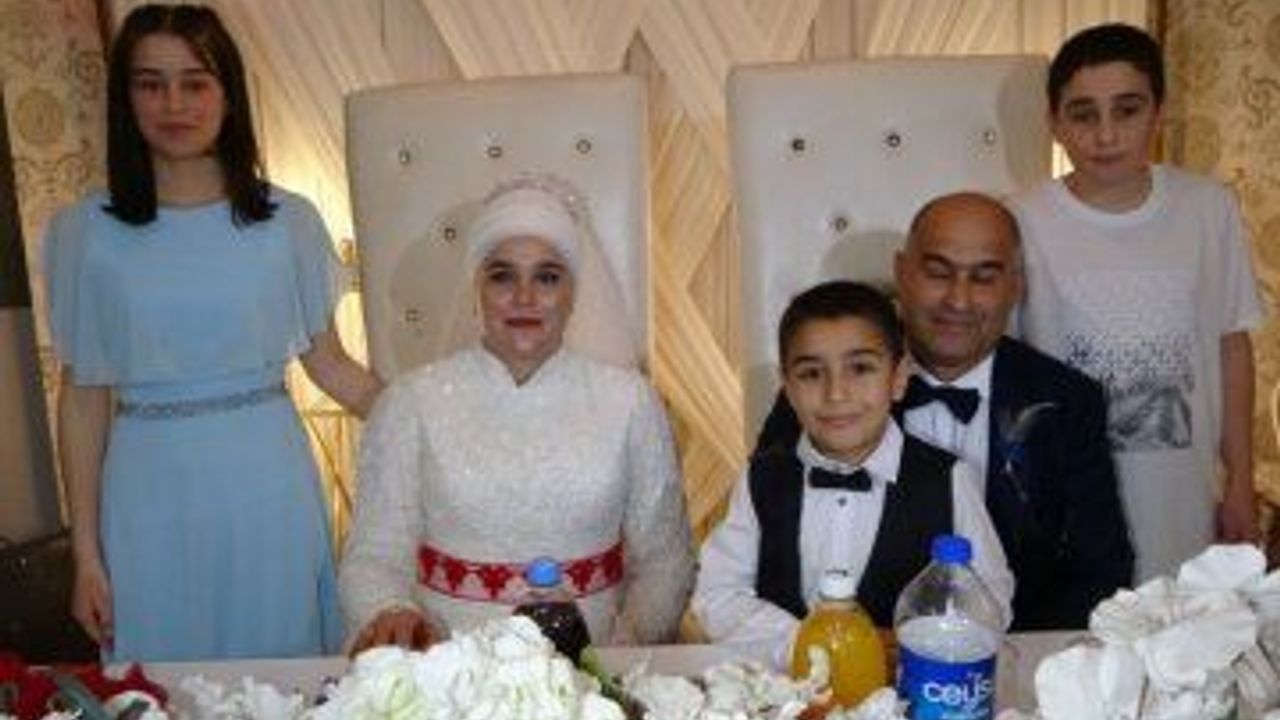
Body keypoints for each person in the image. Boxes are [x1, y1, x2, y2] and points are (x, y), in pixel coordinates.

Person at [43, 4, 382, 661]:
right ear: (125, 99)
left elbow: (333, 367)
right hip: (146, 495)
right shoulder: (85, 233)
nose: (174, 104)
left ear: (228, 94)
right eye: (151, 84)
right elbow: (82, 400)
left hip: (267, 486)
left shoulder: (288, 222)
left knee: (281, 674)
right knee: (163, 679)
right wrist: (85, 554)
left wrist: (443, 414)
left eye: (195, 83)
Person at [339, 173, 695, 653]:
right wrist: (391, 612)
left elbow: (666, 560)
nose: (524, 298)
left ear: (573, 292)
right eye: (502, 276)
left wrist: (624, 648)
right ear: (476, 287)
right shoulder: (410, 403)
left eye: (547, 277)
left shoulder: (631, 402)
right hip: (449, 666)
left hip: (591, 667)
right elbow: (373, 557)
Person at [755, 193, 1133, 630]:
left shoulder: (1067, 399)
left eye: (984, 277)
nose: (958, 299)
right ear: (901, 273)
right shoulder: (828, 392)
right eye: (938, 272)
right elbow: (772, 544)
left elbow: (1101, 573)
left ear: (1015, 286)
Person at [1011, 23, 1263, 580]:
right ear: (1054, 123)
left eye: (1127, 110)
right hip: (1069, 499)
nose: (1106, 135)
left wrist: (1240, 481)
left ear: (1159, 113)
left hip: (1184, 496)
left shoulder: (1208, 208)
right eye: (1083, 114)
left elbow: (1232, 346)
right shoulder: (1022, 219)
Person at [693, 280, 1014, 668]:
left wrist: (925, 639)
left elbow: (991, 597)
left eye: (860, 368)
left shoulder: (948, 477)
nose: (836, 394)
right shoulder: (762, 477)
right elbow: (717, 594)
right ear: (788, 388)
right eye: (812, 373)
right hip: (785, 689)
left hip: (905, 690)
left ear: (898, 377)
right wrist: (809, 644)